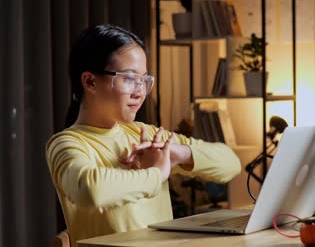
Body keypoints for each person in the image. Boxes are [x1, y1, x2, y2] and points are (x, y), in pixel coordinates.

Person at [46, 24, 241, 246]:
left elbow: (230, 163)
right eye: (129, 79)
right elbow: (89, 191)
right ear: (90, 81)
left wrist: (177, 154)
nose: (139, 92)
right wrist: (157, 173)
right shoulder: (66, 143)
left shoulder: (144, 134)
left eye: (144, 80)